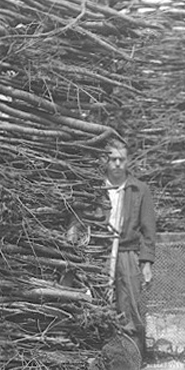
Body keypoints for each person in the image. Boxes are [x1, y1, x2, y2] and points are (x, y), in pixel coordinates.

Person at [67, 139, 156, 357]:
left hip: (128, 254)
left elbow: (148, 231)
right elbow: (80, 219)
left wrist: (146, 263)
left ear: (128, 161)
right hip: (101, 253)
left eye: (121, 159)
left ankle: (133, 359)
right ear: (105, 161)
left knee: (131, 308)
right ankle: (102, 357)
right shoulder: (95, 189)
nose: (117, 164)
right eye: (112, 159)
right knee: (99, 302)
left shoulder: (139, 190)